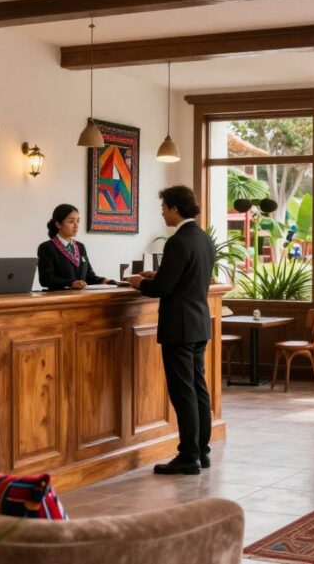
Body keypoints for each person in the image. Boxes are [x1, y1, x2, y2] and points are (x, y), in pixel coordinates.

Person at [128, 186, 215, 475]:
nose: (162, 212)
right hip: (200, 322)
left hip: (179, 326)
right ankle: (202, 451)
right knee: (198, 388)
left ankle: (188, 456)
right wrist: (159, 275)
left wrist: (140, 283)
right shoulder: (203, 238)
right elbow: (186, 277)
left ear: (176, 208)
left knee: (183, 392)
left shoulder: (177, 241)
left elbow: (163, 288)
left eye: (164, 207)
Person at [37, 204, 110, 291]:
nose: (76, 225)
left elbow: (88, 276)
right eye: (71, 222)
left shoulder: (80, 247)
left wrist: (103, 281)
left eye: (78, 221)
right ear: (58, 224)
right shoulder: (46, 247)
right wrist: (71, 283)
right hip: (58, 299)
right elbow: (45, 280)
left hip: (82, 298)